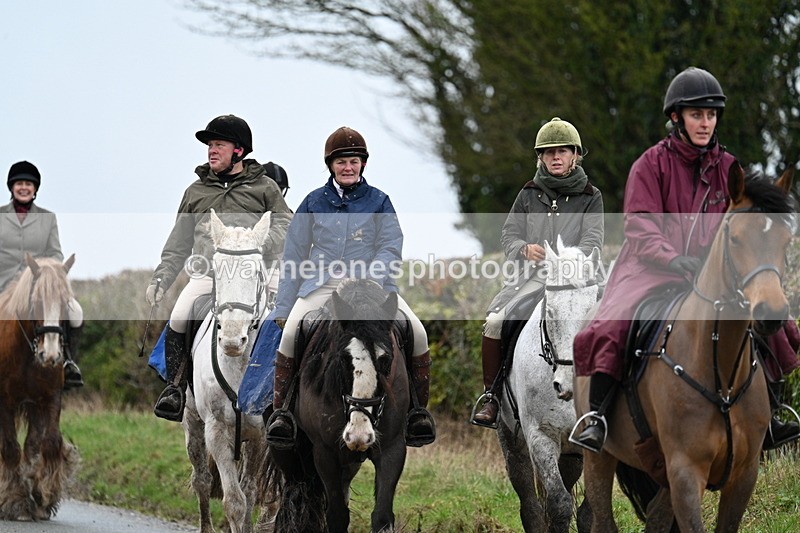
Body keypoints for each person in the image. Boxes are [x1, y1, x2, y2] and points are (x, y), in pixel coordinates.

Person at [571, 67, 800, 453]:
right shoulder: (650, 164)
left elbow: (742, 224)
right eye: (697, 115)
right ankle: (597, 415)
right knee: (614, 322)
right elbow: (640, 225)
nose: (705, 123)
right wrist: (674, 259)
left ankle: (772, 412)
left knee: (776, 319)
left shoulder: (730, 167)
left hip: (712, 272)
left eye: (711, 115)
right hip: (650, 267)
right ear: (676, 117)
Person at [267, 126, 436, 447]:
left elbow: (390, 245)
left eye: (354, 161)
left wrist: (371, 275)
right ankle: (283, 413)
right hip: (322, 286)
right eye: (342, 162)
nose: (348, 167)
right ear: (331, 165)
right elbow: (294, 254)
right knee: (290, 334)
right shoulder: (313, 201)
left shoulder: (380, 201)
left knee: (418, 332)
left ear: (363, 165)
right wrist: (284, 306)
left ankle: (417, 413)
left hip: (371, 288)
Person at [146, 114, 292, 422]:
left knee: (286, 323)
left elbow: (285, 221)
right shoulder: (195, 192)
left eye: (219, 145)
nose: (212, 150)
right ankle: (175, 389)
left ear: (238, 151)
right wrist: (162, 278)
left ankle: (285, 400)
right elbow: (178, 242)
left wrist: (257, 246)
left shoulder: (265, 187)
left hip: (256, 277)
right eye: (210, 145)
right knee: (180, 315)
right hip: (210, 276)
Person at [470, 118, 604, 428]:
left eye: (562, 151)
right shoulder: (528, 193)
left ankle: (604, 401)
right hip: (533, 278)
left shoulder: (590, 195)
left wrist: (567, 262)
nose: (556, 157)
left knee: (610, 324)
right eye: (549, 152)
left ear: (575, 155)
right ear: (540, 158)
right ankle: (491, 396)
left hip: (575, 279)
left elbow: (592, 240)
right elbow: (508, 235)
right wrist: (523, 249)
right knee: (495, 322)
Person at [0, 161, 84, 389]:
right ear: (11, 188)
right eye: (19, 183)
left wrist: (44, 271)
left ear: (35, 188)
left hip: (38, 286)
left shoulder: (48, 218)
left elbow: (55, 253)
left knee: (76, 312)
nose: (24, 187)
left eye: (28, 183)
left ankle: (67, 362)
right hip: (3, 285)